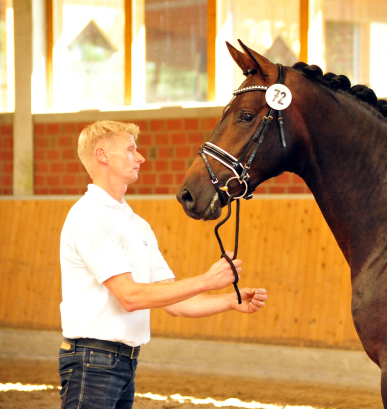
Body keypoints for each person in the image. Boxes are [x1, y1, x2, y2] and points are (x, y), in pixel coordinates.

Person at [58, 120, 268, 409]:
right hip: (92, 360)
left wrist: (230, 301)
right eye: (131, 150)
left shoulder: (137, 224)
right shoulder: (91, 217)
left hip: (122, 362)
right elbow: (130, 297)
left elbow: (175, 303)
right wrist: (207, 280)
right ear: (102, 155)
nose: (141, 157)